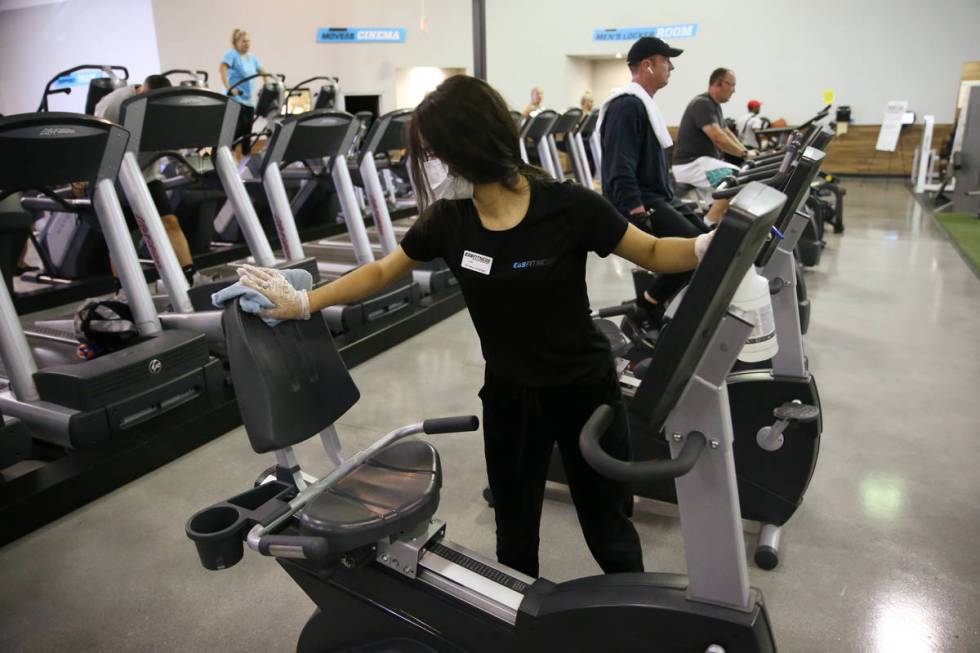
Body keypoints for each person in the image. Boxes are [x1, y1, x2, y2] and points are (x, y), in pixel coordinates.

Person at [237, 74, 715, 579]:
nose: (431, 165)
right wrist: (305, 301)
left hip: (586, 394)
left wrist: (707, 245)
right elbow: (381, 271)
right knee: (513, 539)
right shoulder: (449, 219)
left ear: (471, 145)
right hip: (511, 400)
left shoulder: (569, 205)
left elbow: (655, 251)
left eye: (435, 151)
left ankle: (633, 625)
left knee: (611, 533)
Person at [598, 37, 725, 328]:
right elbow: (619, 168)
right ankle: (646, 306)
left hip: (660, 196)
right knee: (695, 253)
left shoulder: (643, 105)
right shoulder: (627, 107)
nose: (671, 66)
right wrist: (637, 211)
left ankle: (662, 305)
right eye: (666, 61)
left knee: (710, 242)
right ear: (648, 66)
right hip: (641, 200)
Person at [93, 74, 196, 284]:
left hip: (147, 175)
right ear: (142, 92)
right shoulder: (114, 104)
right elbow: (97, 138)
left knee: (170, 222)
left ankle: (190, 278)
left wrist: (183, 165)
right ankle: (124, 291)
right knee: (122, 236)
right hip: (115, 178)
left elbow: (170, 137)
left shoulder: (164, 105)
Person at [672, 68, 754, 204]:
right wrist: (745, 154)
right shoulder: (702, 103)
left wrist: (746, 151)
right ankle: (710, 221)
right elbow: (718, 137)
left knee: (725, 201)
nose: (734, 90)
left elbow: (726, 132)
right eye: (731, 85)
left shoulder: (714, 105)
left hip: (701, 164)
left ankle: (712, 222)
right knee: (738, 178)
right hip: (691, 165)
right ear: (718, 83)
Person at [220, 28, 268, 153]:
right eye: (243, 41)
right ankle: (230, 159)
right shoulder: (231, 55)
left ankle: (245, 160)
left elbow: (262, 71)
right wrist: (229, 87)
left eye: (248, 41)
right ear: (236, 42)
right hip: (234, 98)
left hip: (247, 99)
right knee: (236, 130)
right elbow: (222, 69)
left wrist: (266, 85)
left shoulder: (252, 57)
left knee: (247, 131)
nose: (247, 44)